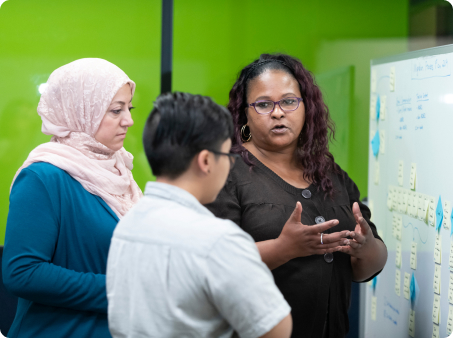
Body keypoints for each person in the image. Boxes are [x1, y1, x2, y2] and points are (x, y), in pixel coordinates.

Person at [206, 53, 388, 338]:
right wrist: (284, 247)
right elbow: (211, 266)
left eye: (289, 101)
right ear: (245, 113)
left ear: (306, 107)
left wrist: (366, 248)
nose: (278, 113)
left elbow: (365, 268)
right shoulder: (224, 173)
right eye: (264, 104)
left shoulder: (329, 172)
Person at [106, 92, 293, 338]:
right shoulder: (218, 240)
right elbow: (275, 330)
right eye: (227, 155)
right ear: (206, 161)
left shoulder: (127, 225)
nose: (229, 165)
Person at [2, 58, 143, 338]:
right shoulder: (44, 177)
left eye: (129, 107)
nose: (129, 120)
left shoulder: (118, 169)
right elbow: (22, 272)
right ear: (82, 111)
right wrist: (121, 291)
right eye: (116, 110)